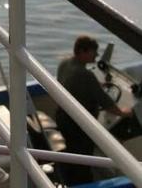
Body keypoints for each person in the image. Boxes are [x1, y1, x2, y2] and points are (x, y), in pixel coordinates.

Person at [56, 35, 132, 186]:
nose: (97, 55)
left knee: (74, 152)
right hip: (78, 126)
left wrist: (96, 84)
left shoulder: (65, 63)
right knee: (83, 158)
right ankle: (83, 183)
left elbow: (74, 82)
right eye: (93, 52)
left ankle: (72, 178)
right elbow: (105, 102)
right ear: (83, 51)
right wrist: (123, 113)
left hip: (63, 117)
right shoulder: (85, 75)